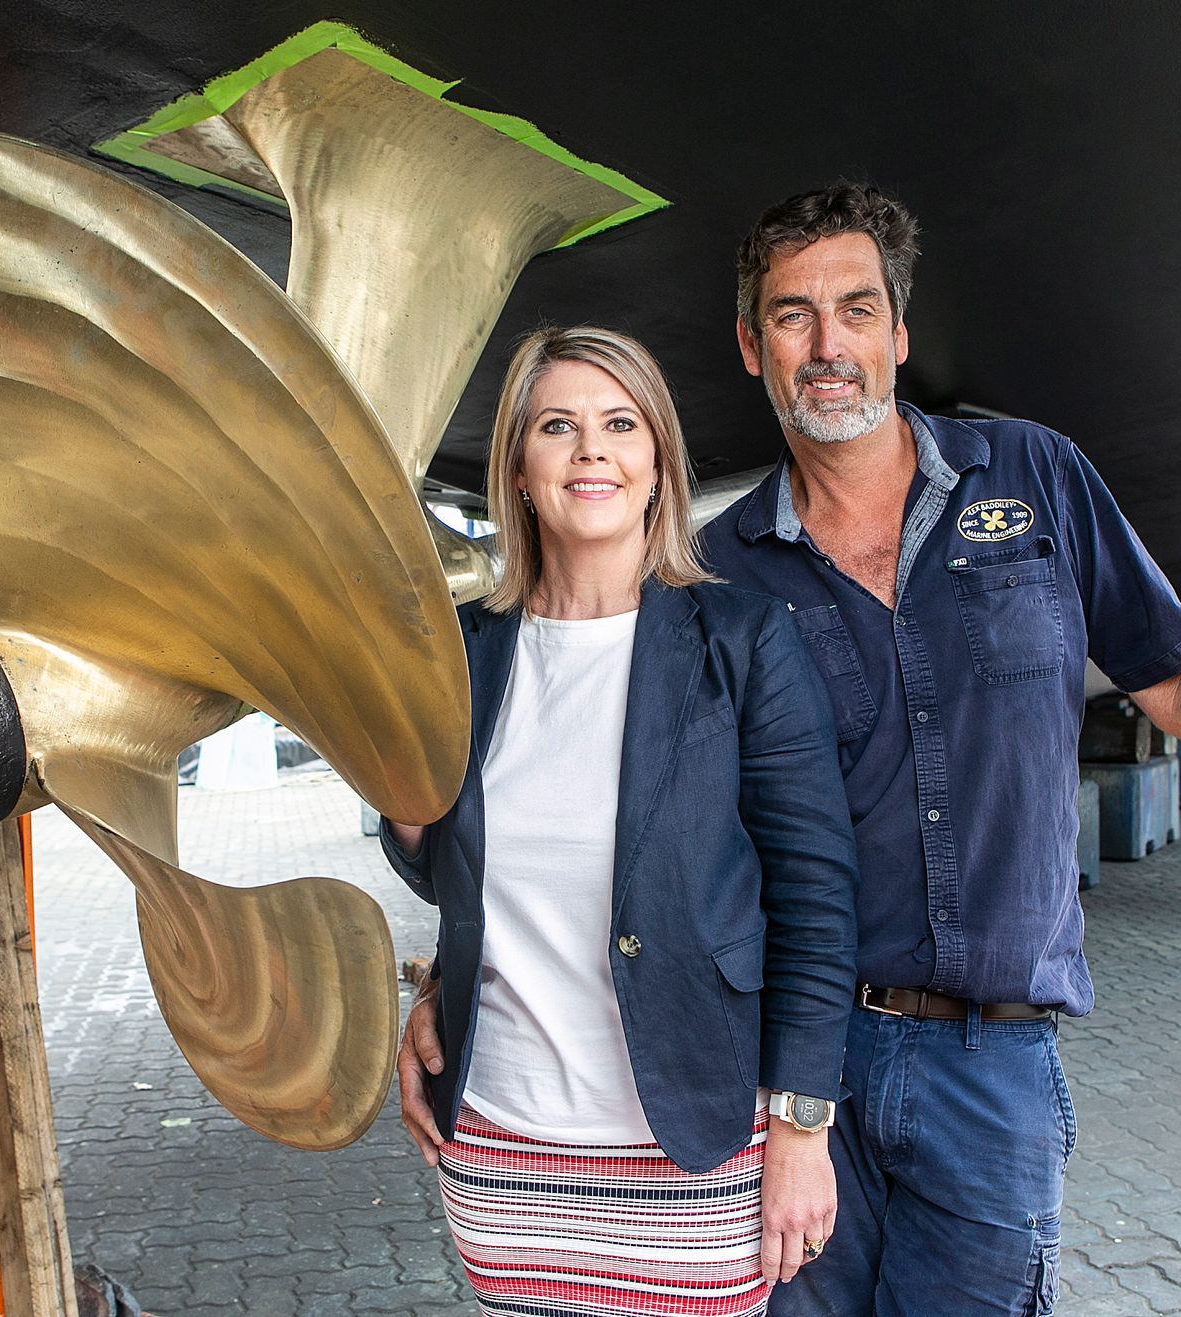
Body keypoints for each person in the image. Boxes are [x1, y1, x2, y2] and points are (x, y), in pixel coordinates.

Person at [401, 188, 1181, 1316]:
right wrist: (468, 976)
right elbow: (619, 833)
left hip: (989, 1061)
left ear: (899, 335)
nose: (827, 345)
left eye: (856, 310)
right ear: (753, 348)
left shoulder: (1034, 480)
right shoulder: (721, 580)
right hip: (793, 1053)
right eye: (793, 317)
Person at [381, 325, 862, 1317]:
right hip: (503, 1144)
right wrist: (427, 989)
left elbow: (816, 902)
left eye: (619, 424)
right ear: (519, 468)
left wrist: (804, 1130)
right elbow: (442, 869)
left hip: (693, 1149)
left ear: (656, 464)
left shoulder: (743, 641)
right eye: (558, 426)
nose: (591, 449)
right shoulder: (461, 657)